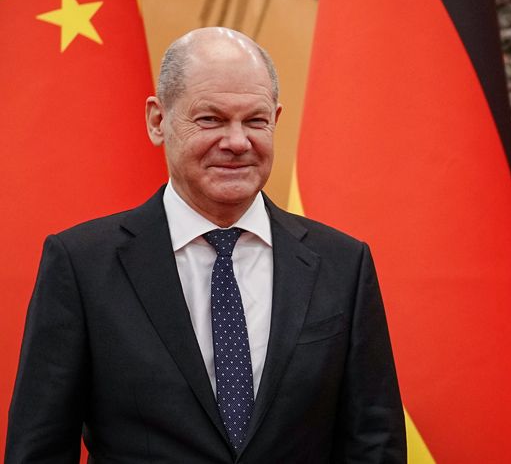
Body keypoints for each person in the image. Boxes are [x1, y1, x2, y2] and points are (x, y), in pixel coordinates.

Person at [6, 27, 406, 462]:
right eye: (210, 119)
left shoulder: (342, 265)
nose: (237, 142)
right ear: (158, 121)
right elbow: (39, 448)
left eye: (255, 120)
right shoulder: (83, 265)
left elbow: (374, 444)